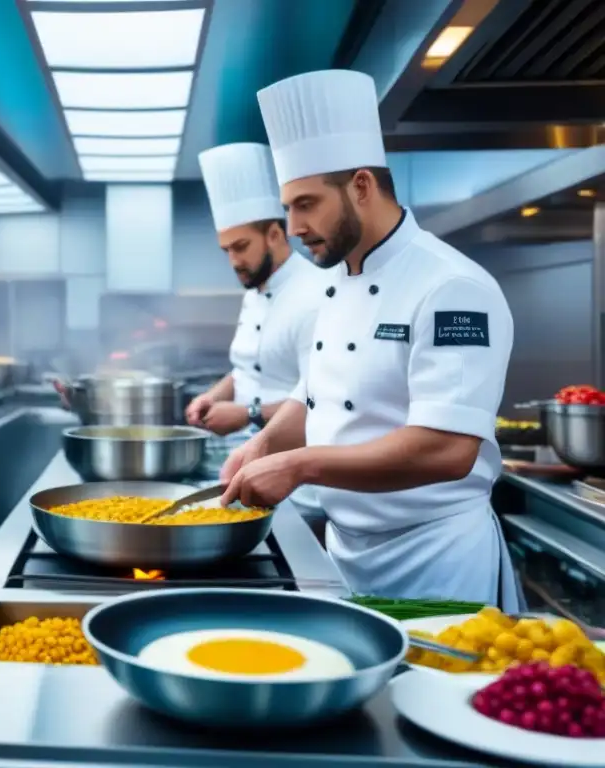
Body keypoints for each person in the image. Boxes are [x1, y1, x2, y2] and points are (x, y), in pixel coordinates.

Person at [220, 70, 522, 611]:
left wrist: (301, 464)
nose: (292, 226)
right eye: (288, 207)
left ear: (361, 185)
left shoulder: (451, 287)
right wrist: (264, 444)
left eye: (306, 204)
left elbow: (448, 449)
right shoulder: (335, 284)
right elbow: (314, 394)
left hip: (436, 563)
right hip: (346, 556)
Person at [185, 142, 326, 527]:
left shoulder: (316, 297)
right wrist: (214, 396)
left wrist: (247, 414)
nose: (234, 261)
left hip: (299, 493)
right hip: (243, 472)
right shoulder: (256, 291)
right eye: (226, 250)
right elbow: (250, 368)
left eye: (241, 247)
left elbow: (324, 401)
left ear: (276, 234)